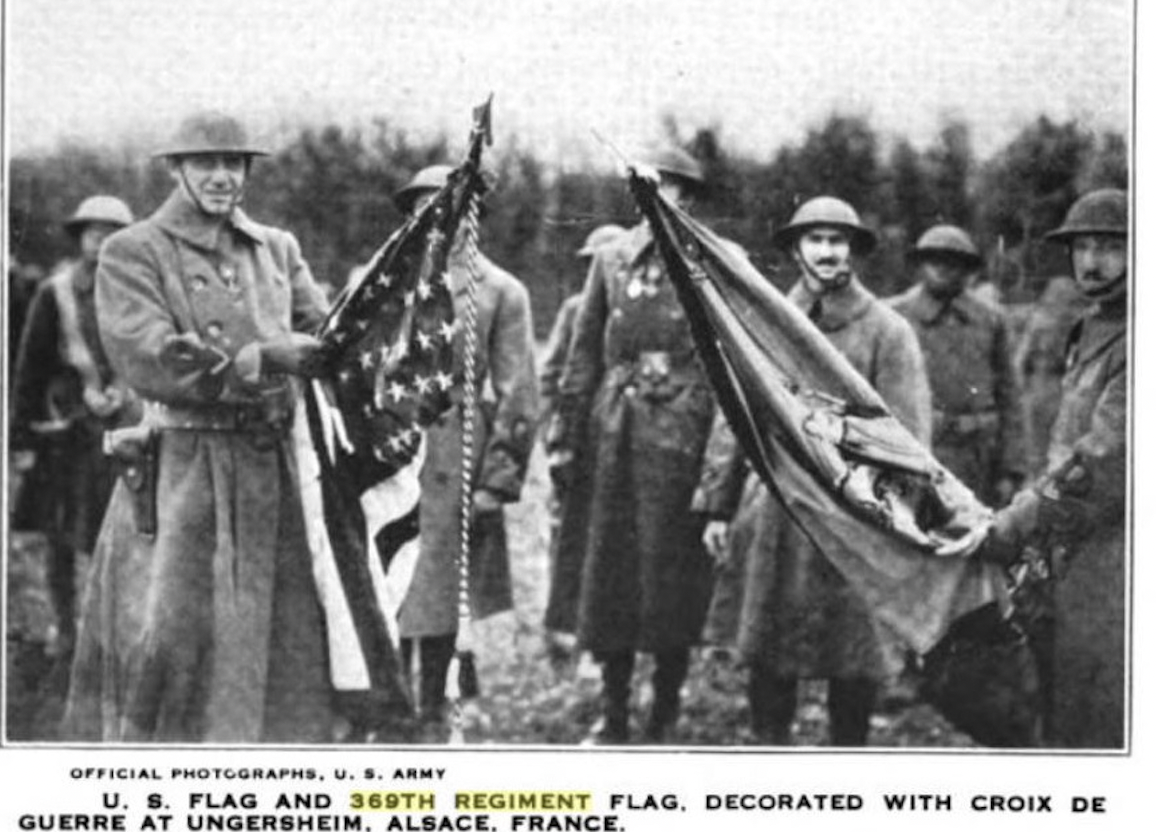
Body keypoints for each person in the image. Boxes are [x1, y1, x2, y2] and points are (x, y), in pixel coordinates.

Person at [62, 111, 334, 742]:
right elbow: (149, 354)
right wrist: (259, 358)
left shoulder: (275, 247)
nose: (221, 176)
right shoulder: (133, 251)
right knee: (172, 636)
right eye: (205, 163)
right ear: (176, 169)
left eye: (233, 163)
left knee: (277, 638)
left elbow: (324, 332)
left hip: (270, 469)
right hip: (183, 472)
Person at [697, 196, 931, 746]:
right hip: (775, 512)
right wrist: (717, 504)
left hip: (853, 517)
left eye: (838, 240)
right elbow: (735, 416)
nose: (827, 251)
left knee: (853, 662)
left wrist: (892, 516)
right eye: (816, 239)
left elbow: (907, 435)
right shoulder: (762, 319)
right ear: (797, 249)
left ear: (853, 250)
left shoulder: (887, 331)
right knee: (767, 655)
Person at [548, 148, 722, 744]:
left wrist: (706, 447)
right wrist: (567, 439)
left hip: (681, 436)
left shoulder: (712, 261)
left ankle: (665, 706)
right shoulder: (611, 257)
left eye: (668, 187)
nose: (655, 196)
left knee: (670, 579)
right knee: (609, 576)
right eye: (645, 186)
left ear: (689, 197)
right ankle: (614, 705)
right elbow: (583, 354)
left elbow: (724, 365)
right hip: (613, 433)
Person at [391, 165, 538, 741]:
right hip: (387, 452)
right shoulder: (382, 281)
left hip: (455, 456)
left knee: (438, 594)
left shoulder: (499, 291)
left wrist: (498, 480)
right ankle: (386, 705)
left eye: (452, 206)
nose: (438, 218)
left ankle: (432, 711)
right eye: (425, 206)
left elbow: (520, 393)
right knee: (386, 584)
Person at [981, 188, 1127, 749]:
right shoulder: (1091, 326)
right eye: (1083, 247)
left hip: (1116, 559)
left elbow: (1106, 457)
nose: (1092, 263)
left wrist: (1018, 521)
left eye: (1111, 247)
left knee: (1105, 714)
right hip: (1073, 552)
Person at [10, 196, 138, 658]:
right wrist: (21, 435)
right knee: (60, 535)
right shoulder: (55, 291)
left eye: (113, 231)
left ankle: (115, 632)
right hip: (65, 433)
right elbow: (29, 369)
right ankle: (65, 628)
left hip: (122, 432)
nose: (102, 240)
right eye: (93, 231)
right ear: (79, 236)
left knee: (125, 533)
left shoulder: (138, 291)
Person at [890, 225, 1024, 506]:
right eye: (933, 259)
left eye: (953, 261)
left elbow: (1009, 396)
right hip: (915, 453)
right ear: (920, 264)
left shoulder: (991, 319)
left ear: (967, 269)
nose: (942, 268)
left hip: (979, 458)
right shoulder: (893, 316)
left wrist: (1011, 469)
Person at [540, 224, 626, 660]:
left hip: (624, 437)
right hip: (582, 440)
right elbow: (553, 375)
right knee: (570, 536)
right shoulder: (576, 310)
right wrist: (556, 437)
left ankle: (607, 639)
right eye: (593, 264)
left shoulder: (639, 309)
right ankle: (563, 630)